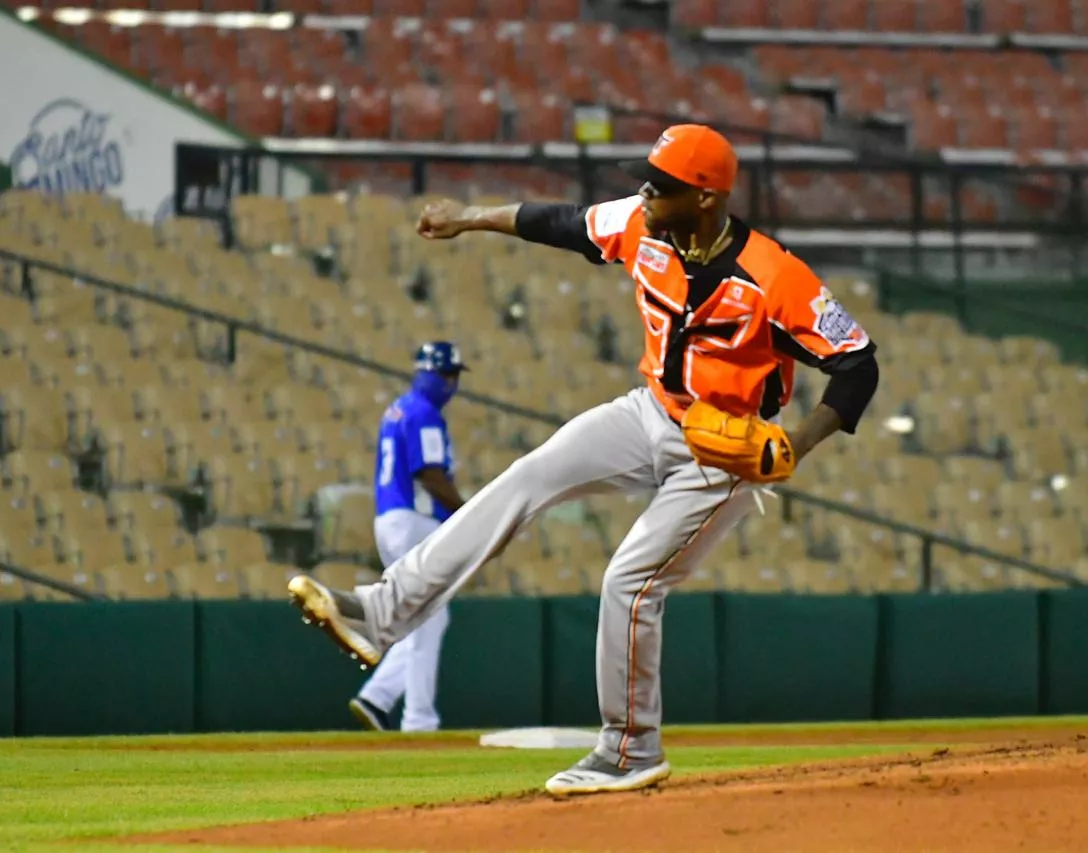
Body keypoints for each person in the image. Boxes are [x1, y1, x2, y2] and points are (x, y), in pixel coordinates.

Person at [288, 124, 880, 795]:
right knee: (527, 476)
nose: (645, 190)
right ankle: (379, 610)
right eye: (646, 178)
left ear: (708, 198)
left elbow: (858, 365)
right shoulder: (640, 224)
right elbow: (562, 222)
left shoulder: (775, 276)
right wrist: (469, 218)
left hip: (726, 449)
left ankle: (630, 748)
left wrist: (795, 444)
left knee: (629, 580)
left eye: (663, 184)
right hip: (652, 410)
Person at [346, 342, 468, 733]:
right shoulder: (423, 413)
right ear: (429, 374)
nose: (451, 383)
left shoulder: (399, 407)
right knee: (425, 617)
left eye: (454, 376)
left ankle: (377, 699)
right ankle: (418, 720)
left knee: (432, 617)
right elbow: (430, 474)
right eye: (447, 375)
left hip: (393, 519)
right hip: (413, 520)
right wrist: (470, 514)